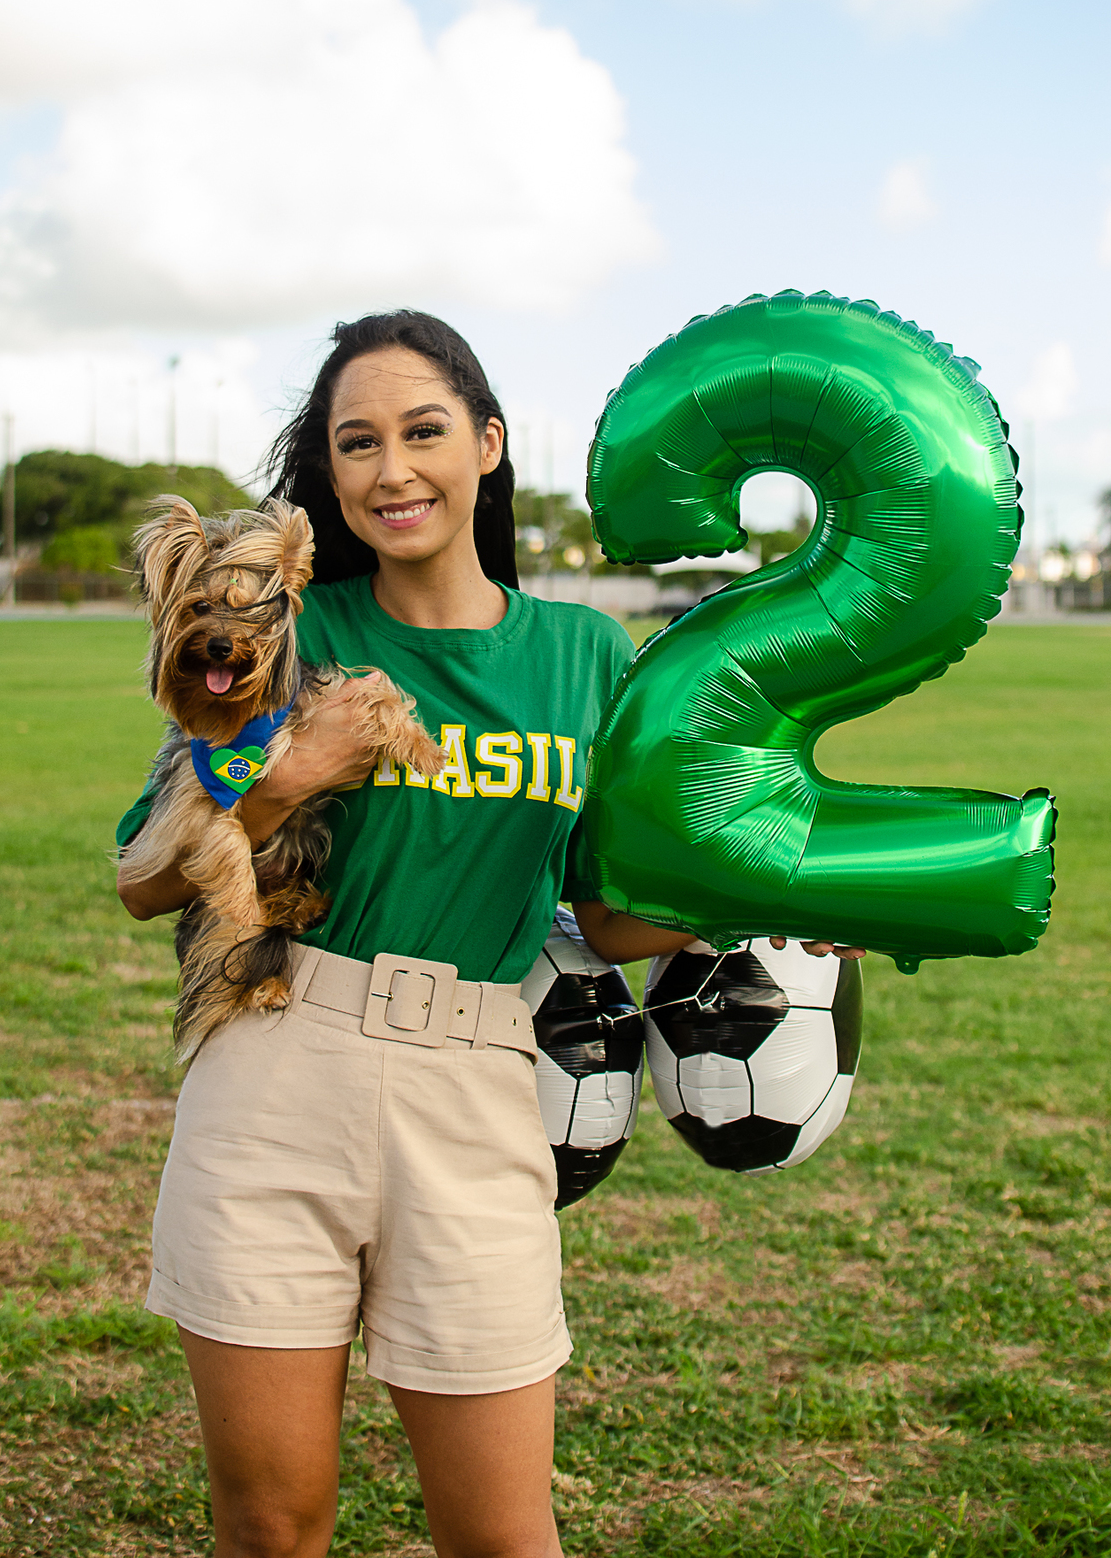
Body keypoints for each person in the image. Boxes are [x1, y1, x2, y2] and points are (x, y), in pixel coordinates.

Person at [116, 310, 862, 1558]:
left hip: (477, 1084)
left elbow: (608, 912)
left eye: (423, 431)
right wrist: (291, 774)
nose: (391, 468)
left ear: (488, 445)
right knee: (271, 1527)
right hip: (275, 1072)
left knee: (505, 1538)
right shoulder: (291, 629)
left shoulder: (586, 655)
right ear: (330, 472)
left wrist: (782, 899)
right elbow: (144, 877)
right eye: (357, 442)